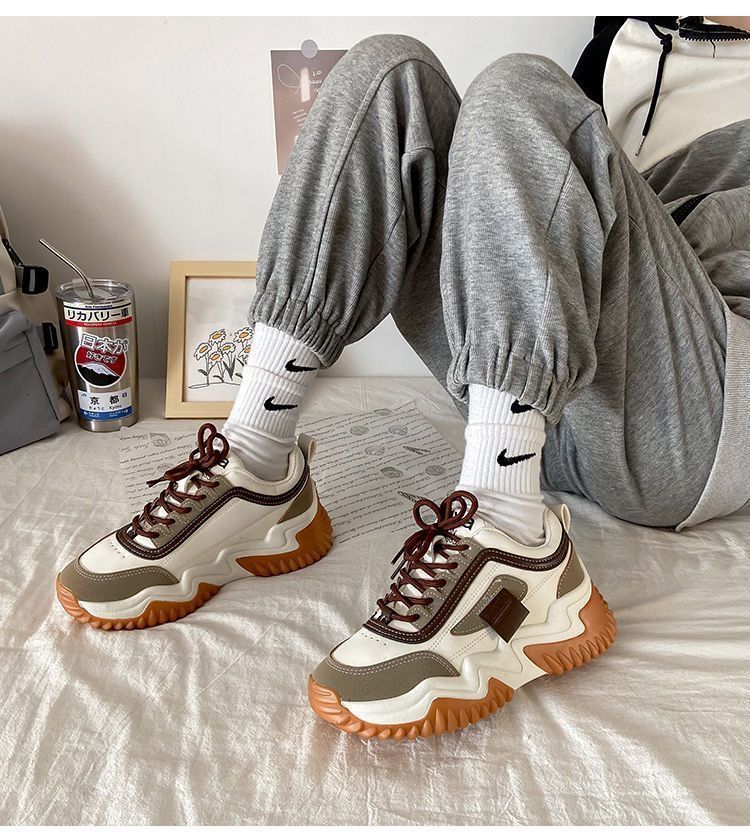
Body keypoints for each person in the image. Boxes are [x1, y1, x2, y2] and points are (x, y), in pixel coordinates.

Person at [57, 16, 750, 740]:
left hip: (691, 420)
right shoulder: (621, 44)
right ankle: (257, 461)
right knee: (388, 73)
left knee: (518, 86)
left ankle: (511, 533)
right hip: (547, 398)